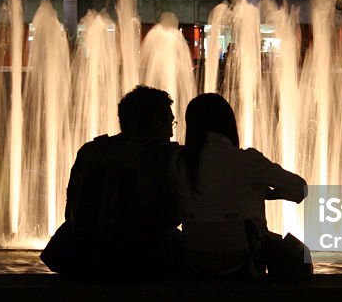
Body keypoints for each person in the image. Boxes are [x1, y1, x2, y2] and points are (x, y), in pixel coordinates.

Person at [42, 85, 180, 279]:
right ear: (157, 123)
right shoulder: (162, 158)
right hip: (143, 259)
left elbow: (70, 210)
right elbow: (171, 215)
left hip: (86, 258)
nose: (171, 134)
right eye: (170, 123)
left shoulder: (90, 151)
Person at [173, 93, 307, 278]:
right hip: (241, 256)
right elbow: (300, 188)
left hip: (193, 255)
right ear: (228, 123)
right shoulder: (248, 160)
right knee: (298, 252)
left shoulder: (179, 161)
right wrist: (269, 194)